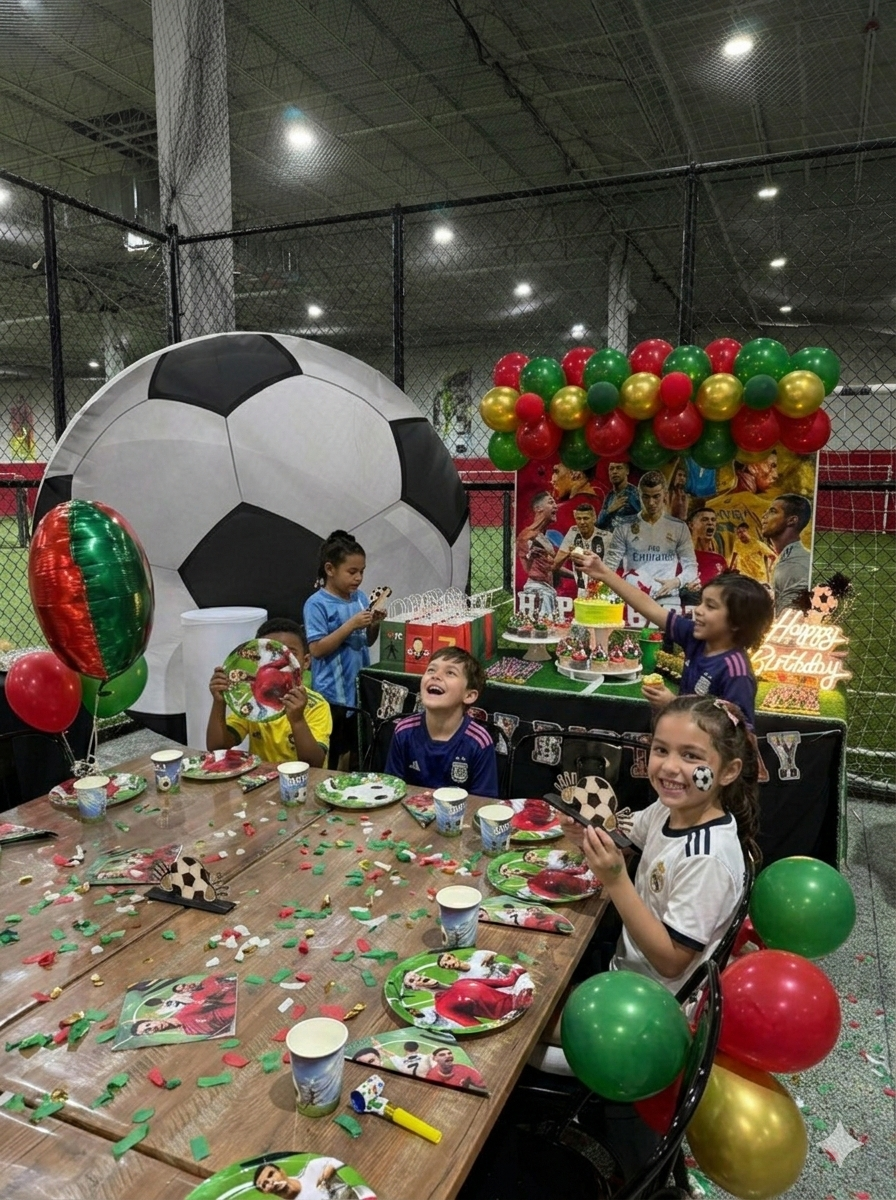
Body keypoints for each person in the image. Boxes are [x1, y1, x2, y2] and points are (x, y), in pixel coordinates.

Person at [578, 695, 759, 995]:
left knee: (534, 1013)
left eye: (690, 756)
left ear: (728, 771)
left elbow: (671, 962)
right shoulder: (667, 809)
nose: (669, 767)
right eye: (661, 750)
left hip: (658, 1005)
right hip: (626, 974)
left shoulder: (706, 857)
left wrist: (616, 879)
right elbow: (623, 838)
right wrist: (586, 831)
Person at [580, 552, 773, 728]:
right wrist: (604, 573)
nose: (698, 610)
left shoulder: (735, 672)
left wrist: (675, 705)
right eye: (701, 602)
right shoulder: (696, 637)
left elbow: (738, 733)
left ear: (737, 622)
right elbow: (650, 607)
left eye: (710, 606)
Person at [303, 530, 385, 768]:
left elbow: (367, 641)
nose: (358, 578)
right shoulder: (316, 604)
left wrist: (375, 624)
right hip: (332, 696)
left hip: (358, 691)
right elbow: (317, 649)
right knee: (333, 756)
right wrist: (351, 624)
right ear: (330, 569)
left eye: (362, 571)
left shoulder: (359, 597)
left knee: (357, 751)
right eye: (352, 572)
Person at [207, 618, 331, 767]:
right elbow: (217, 747)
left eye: (290, 654)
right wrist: (219, 703)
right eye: (270, 654)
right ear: (257, 660)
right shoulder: (251, 701)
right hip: (261, 783)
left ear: (305, 662)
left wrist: (297, 720)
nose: (281, 662)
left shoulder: (316, 705)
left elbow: (314, 763)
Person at [384, 647, 498, 796]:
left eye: (450, 672)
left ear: (469, 695)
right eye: (431, 670)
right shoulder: (403, 731)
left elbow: (483, 804)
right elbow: (392, 791)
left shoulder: (479, 741)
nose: (435, 676)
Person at [602, 470, 699, 617]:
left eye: (656, 496)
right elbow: (609, 566)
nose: (651, 502)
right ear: (639, 495)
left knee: (666, 640)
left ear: (665, 495)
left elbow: (691, 567)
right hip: (634, 600)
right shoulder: (624, 527)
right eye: (645, 497)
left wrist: (676, 581)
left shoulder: (679, 527)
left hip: (668, 600)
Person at [761, 493, 813, 614]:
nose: (764, 516)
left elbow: (789, 621)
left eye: (773, 511)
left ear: (792, 520)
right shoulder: (786, 558)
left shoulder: (794, 565)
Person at [515, 490, 560, 618]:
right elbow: (528, 569)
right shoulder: (528, 535)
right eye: (551, 502)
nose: (556, 506)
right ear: (538, 509)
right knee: (542, 630)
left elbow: (552, 566)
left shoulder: (542, 537)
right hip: (538, 591)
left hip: (547, 591)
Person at [253, 1157, 375, 1199]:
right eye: (264, 1184)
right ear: (265, 1192)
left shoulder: (312, 1170)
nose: (270, 1182)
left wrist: (330, 1168)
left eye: (271, 1174)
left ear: (281, 1171)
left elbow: (341, 1160)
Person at [552, 503, 606, 595]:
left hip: (604, 590)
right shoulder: (573, 532)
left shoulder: (607, 537)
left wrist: (582, 554)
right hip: (583, 591)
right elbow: (556, 564)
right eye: (578, 518)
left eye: (586, 518)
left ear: (594, 518)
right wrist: (567, 553)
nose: (582, 522)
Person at [551, 461, 600, 533]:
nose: (552, 480)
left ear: (576, 475)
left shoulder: (556, 513)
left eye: (557, 472)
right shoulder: (602, 504)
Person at [597, 460, 641, 531]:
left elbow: (646, 519)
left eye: (619, 468)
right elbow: (599, 523)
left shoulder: (634, 494)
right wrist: (610, 510)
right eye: (611, 469)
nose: (614, 472)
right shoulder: (610, 495)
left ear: (627, 471)